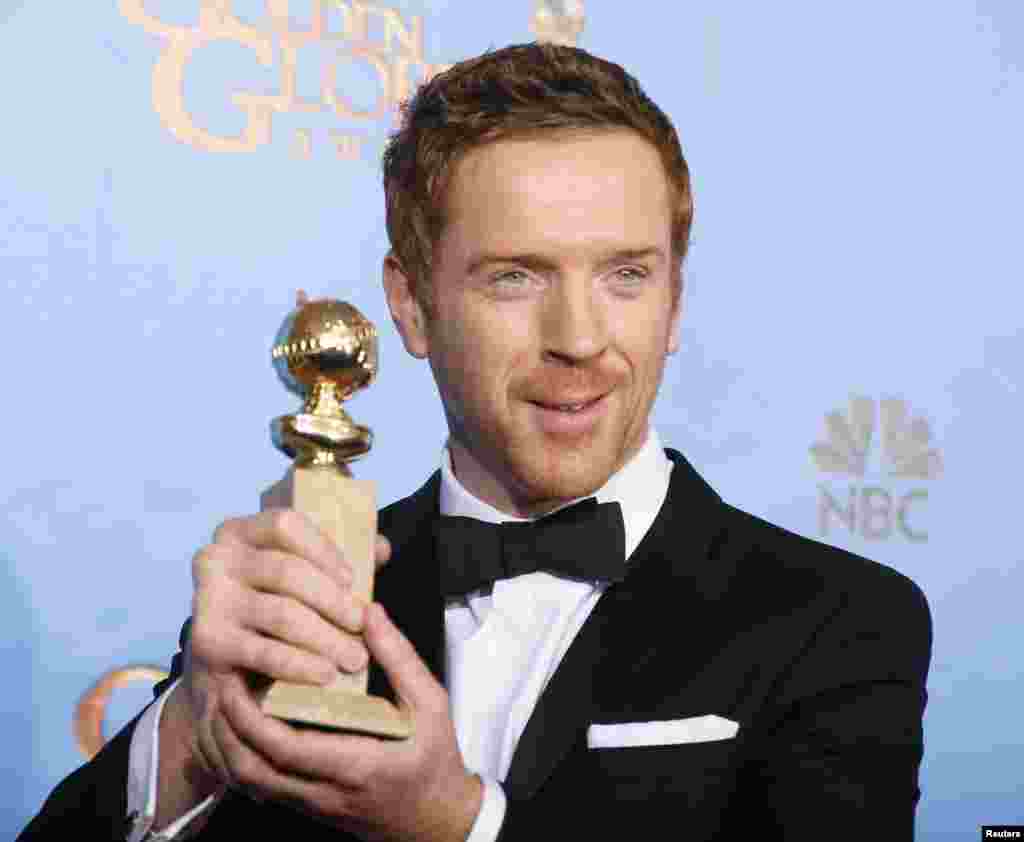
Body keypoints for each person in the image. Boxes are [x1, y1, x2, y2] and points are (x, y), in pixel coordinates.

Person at [20, 42, 932, 841]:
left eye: (625, 275)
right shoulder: (308, 599)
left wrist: (457, 826)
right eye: (514, 277)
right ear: (412, 302)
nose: (578, 338)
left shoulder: (840, 624)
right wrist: (194, 732)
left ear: (676, 300)